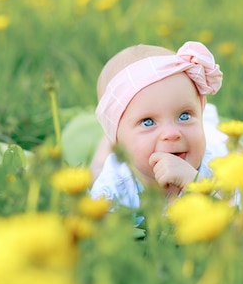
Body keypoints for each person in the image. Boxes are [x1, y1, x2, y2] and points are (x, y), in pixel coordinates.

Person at [90, 41, 228, 209]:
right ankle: (103, 149)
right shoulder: (115, 187)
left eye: (184, 116)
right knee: (96, 169)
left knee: (228, 143)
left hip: (217, 144)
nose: (171, 133)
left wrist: (197, 185)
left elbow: (238, 220)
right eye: (148, 122)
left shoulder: (216, 167)